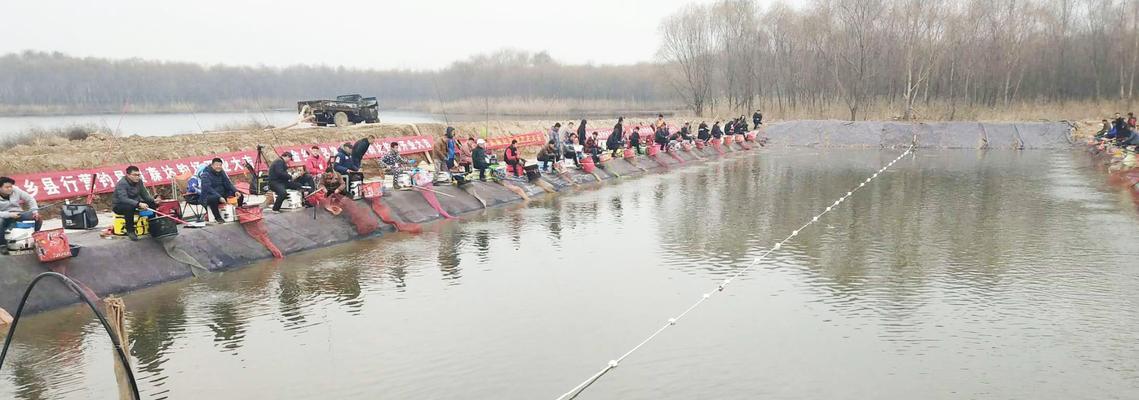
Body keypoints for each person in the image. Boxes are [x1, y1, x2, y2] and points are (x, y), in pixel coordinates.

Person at [113, 166, 158, 240]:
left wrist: (153, 200)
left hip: (135, 203)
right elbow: (123, 199)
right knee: (128, 207)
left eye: (138, 175)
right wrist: (138, 204)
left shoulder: (139, 181)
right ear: (128, 175)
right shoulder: (122, 183)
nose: (137, 177)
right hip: (120, 205)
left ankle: (152, 226)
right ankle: (130, 230)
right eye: (135, 175)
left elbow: (145, 195)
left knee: (151, 203)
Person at [200, 158, 243, 224]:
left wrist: (235, 191)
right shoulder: (205, 174)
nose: (218, 167)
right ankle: (218, 217)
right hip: (208, 196)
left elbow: (228, 183)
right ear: (212, 165)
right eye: (216, 165)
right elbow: (208, 188)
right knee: (213, 198)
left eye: (220, 165)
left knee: (240, 195)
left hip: (221, 194)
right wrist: (219, 197)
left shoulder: (222, 172)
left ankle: (238, 212)